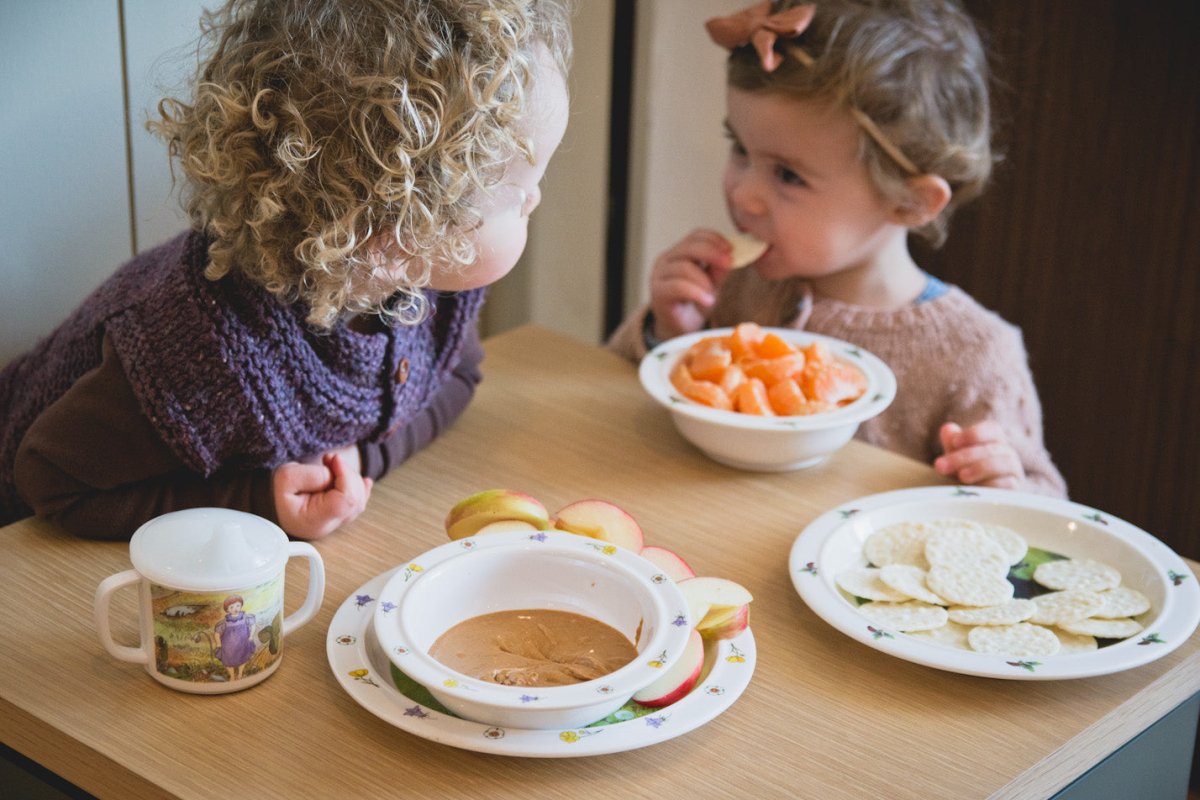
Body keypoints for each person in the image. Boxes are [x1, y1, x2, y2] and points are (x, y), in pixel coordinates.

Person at [0, 0, 573, 539]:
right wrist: (258, 504)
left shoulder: (423, 283)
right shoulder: (205, 358)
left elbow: (459, 377)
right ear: (393, 222)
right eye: (519, 193)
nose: (537, 203)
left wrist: (362, 460)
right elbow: (52, 478)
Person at [608, 0, 1066, 497]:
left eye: (788, 175)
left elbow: (1039, 510)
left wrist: (1002, 483)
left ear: (910, 201)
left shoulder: (974, 354)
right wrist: (667, 333)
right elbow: (613, 406)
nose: (743, 194)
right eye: (740, 148)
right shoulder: (734, 289)